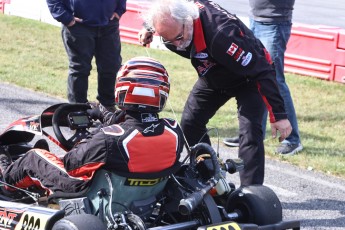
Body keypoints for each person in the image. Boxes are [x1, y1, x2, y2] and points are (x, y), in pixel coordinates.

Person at [138, 0, 292, 186]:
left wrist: (279, 115)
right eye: (168, 40)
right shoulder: (178, 15)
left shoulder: (222, 35)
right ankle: (211, 179)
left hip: (249, 78)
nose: (178, 45)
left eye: (178, 38)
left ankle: (252, 194)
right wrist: (149, 27)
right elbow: (165, 10)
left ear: (189, 20)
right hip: (214, 72)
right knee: (189, 123)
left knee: (250, 133)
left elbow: (262, 70)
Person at [0, 57, 184, 196]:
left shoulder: (107, 139)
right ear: (162, 93)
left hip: (94, 193)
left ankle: (8, 179)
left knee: (34, 158)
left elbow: (71, 165)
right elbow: (136, 126)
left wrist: (85, 141)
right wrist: (103, 115)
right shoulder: (174, 130)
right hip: (141, 195)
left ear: (122, 90)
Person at [223, 0, 303, 156]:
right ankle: (251, 135)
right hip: (257, 19)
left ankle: (292, 140)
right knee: (254, 78)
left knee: (274, 80)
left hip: (273, 23)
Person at [46, 0, 127, 112]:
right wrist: (66, 18)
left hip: (109, 25)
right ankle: (77, 111)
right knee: (80, 69)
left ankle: (107, 108)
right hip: (78, 26)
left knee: (111, 67)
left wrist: (120, 9)